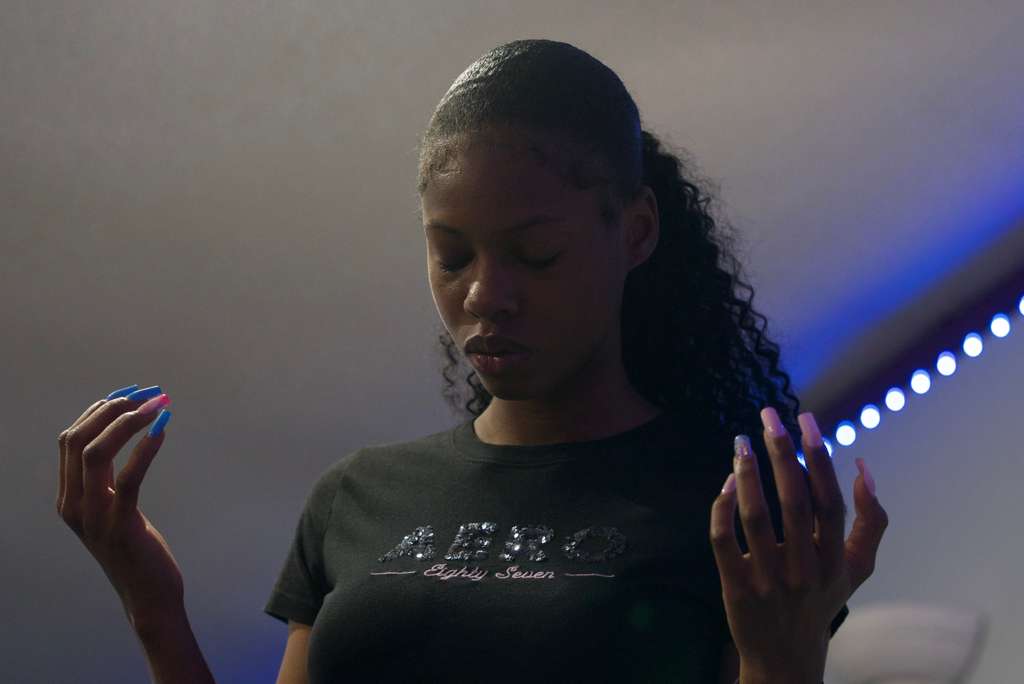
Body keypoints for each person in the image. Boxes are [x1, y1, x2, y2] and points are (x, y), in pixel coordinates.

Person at [56, 39, 888, 684]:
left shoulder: (730, 504)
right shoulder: (356, 498)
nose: (487, 295)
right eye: (452, 256)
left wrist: (783, 663)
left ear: (635, 232)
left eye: (537, 255)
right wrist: (151, 603)